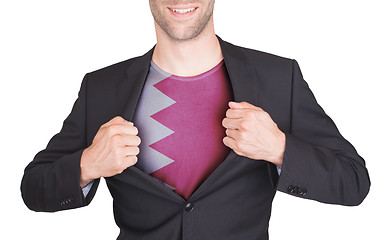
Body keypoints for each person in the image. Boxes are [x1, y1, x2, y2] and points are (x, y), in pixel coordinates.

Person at [21, 0, 370, 239]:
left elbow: (353, 181)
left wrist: (280, 148)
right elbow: (34, 188)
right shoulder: (101, 87)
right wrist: (87, 165)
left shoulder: (278, 78)